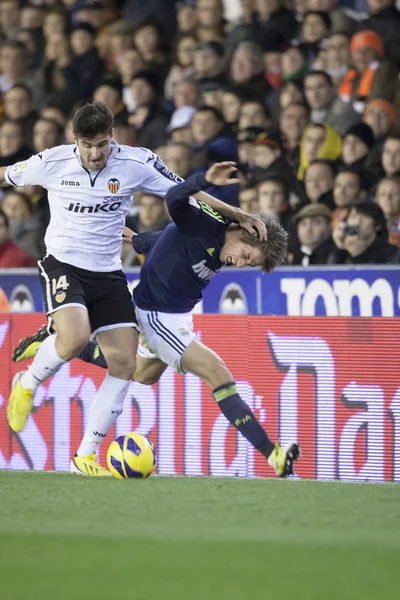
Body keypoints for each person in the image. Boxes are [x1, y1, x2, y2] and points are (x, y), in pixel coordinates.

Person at [13, 161, 300, 478]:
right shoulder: (206, 222)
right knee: (218, 373)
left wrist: (137, 241)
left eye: (248, 265)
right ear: (242, 230)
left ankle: (56, 343)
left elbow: (171, 240)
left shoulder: (216, 243)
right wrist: (203, 178)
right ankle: (272, 454)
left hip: (176, 314)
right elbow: (176, 197)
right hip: (157, 316)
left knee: (144, 373)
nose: (240, 263)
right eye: (247, 256)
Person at [1, 102, 191, 477]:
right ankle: (27, 383)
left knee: (125, 363)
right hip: (63, 263)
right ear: (75, 140)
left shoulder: (135, 162)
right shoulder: (51, 162)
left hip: (107, 273)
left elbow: (186, 193)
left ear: (113, 137)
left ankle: (84, 457)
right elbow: (7, 173)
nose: (95, 153)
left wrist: (236, 217)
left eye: (102, 144)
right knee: (74, 337)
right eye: (87, 145)